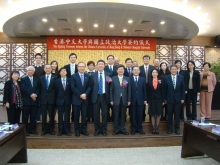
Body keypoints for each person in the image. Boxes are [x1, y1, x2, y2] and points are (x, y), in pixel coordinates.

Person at [90, 60, 111, 136]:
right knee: (96, 114)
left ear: (104, 66)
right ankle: (97, 129)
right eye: (99, 64)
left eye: (102, 64)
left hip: (105, 97)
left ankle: (104, 129)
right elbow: (91, 87)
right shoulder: (93, 75)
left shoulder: (108, 75)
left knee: (105, 114)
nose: (101, 65)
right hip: (96, 97)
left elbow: (109, 86)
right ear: (97, 66)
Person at [71, 62, 91, 136]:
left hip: (85, 99)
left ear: (85, 67)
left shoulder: (88, 76)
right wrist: (80, 95)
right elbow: (73, 87)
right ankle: (77, 130)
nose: (81, 68)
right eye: (80, 66)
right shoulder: (73, 76)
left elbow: (90, 86)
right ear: (77, 67)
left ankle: (83, 129)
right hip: (76, 99)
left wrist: (85, 94)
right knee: (76, 116)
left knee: (84, 115)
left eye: (83, 66)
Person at [110, 64, 131, 135]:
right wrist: (111, 100)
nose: (121, 70)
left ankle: (122, 128)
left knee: (123, 115)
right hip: (115, 100)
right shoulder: (113, 78)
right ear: (117, 70)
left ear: (124, 70)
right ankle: (116, 129)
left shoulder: (127, 78)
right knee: (115, 115)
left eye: (122, 69)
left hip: (124, 100)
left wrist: (129, 100)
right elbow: (111, 90)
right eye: (119, 69)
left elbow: (129, 91)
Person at [165, 65, 185, 134]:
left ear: (177, 70)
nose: (173, 70)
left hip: (178, 99)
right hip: (169, 99)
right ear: (170, 70)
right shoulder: (166, 78)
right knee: (169, 115)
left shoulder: (181, 77)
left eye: (175, 69)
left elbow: (183, 89)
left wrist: (182, 98)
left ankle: (177, 128)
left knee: (177, 115)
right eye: (172, 69)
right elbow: (165, 90)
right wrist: (165, 99)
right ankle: (170, 128)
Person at [39, 64, 57, 136]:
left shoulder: (55, 77)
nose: (48, 69)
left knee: (51, 115)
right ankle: (44, 129)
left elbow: (56, 89)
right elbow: (39, 89)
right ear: (44, 69)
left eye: (49, 68)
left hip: (52, 99)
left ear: (51, 69)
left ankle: (51, 129)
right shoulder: (41, 78)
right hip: (43, 99)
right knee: (43, 115)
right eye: (46, 68)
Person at [20, 66, 39, 136]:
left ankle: (32, 129)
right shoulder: (23, 79)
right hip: (27, 101)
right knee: (25, 117)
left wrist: (35, 94)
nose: (30, 72)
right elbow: (23, 88)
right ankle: (26, 130)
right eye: (29, 70)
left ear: (34, 72)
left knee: (33, 117)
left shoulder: (36, 80)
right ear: (27, 71)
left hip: (34, 101)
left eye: (32, 70)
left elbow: (38, 89)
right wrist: (31, 94)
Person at [130, 66, 147, 135]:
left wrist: (145, 99)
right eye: (134, 70)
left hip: (141, 100)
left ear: (139, 71)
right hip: (132, 100)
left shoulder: (143, 79)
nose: (136, 71)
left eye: (137, 70)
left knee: (140, 115)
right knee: (133, 115)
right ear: (132, 71)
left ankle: (140, 128)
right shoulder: (129, 79)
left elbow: (144, 90)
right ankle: (134, 128)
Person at [55, 67, 72, 136]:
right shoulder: (57, 81)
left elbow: (71, 91)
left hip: (68, 101)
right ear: (60, 73)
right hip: (60, 101)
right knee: (60, 117)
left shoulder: (70, 80)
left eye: (65, 71)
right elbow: (56, 92)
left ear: (66, 72)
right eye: (62, 71)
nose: (63, 72)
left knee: (67, 116)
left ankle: (67, 130)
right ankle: (60, 130)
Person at [148, 69, 165, 134]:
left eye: (156, 72)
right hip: (151, 99)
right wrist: (147, 100)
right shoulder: (149, 81)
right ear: (151, 73)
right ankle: (153, 128)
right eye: (153, 72)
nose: (154, 73)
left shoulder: (161, 81)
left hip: (159, 99)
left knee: (158, 114)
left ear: (158, 73)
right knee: (152, 114)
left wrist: (163, 100)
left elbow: (163, 91)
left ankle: (157, 128)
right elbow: (148, 91)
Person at [64, 53, 78, 122]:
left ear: (76, 59)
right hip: (67, 88)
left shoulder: (79, 67)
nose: (73, 58)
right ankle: (67, 119)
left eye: (74, 57)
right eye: (71, 57)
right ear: (69, 58)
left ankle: (74, 118)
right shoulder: (65, 67)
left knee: (75, 105)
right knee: (68, 104)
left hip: (76, 88)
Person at [139, 55, 154, 121]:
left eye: (147, 59)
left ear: (149, 60)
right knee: (143, 102)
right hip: (142, 87)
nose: (146, 60)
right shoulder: (140, 68)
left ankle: (151, 118)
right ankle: (143, 117)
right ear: (143, 60)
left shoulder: (152, 67)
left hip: (151, 87)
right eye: (145, 59)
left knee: (151, 102)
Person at [104, 55, 117, 122]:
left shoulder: (117, 68)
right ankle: (107, 118)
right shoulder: (104, 68)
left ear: (114, 60)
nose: (111, 60)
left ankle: (113, 118)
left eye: (112, 59)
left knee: (114, 106)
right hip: (106, 90)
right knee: (106, 106)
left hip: (115, 90)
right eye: (109, 59)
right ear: (107, 60)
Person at [33, 53, 45, 123]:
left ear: (41, 59)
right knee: (34, 103)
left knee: (40, 103)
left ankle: (38, 117)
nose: (38, 59)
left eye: (39, 58)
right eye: (37, 58)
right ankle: (33, 117)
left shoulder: (43, 68)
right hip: (34, 87)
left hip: (41, 88)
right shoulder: (32, 68)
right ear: (35, 59)